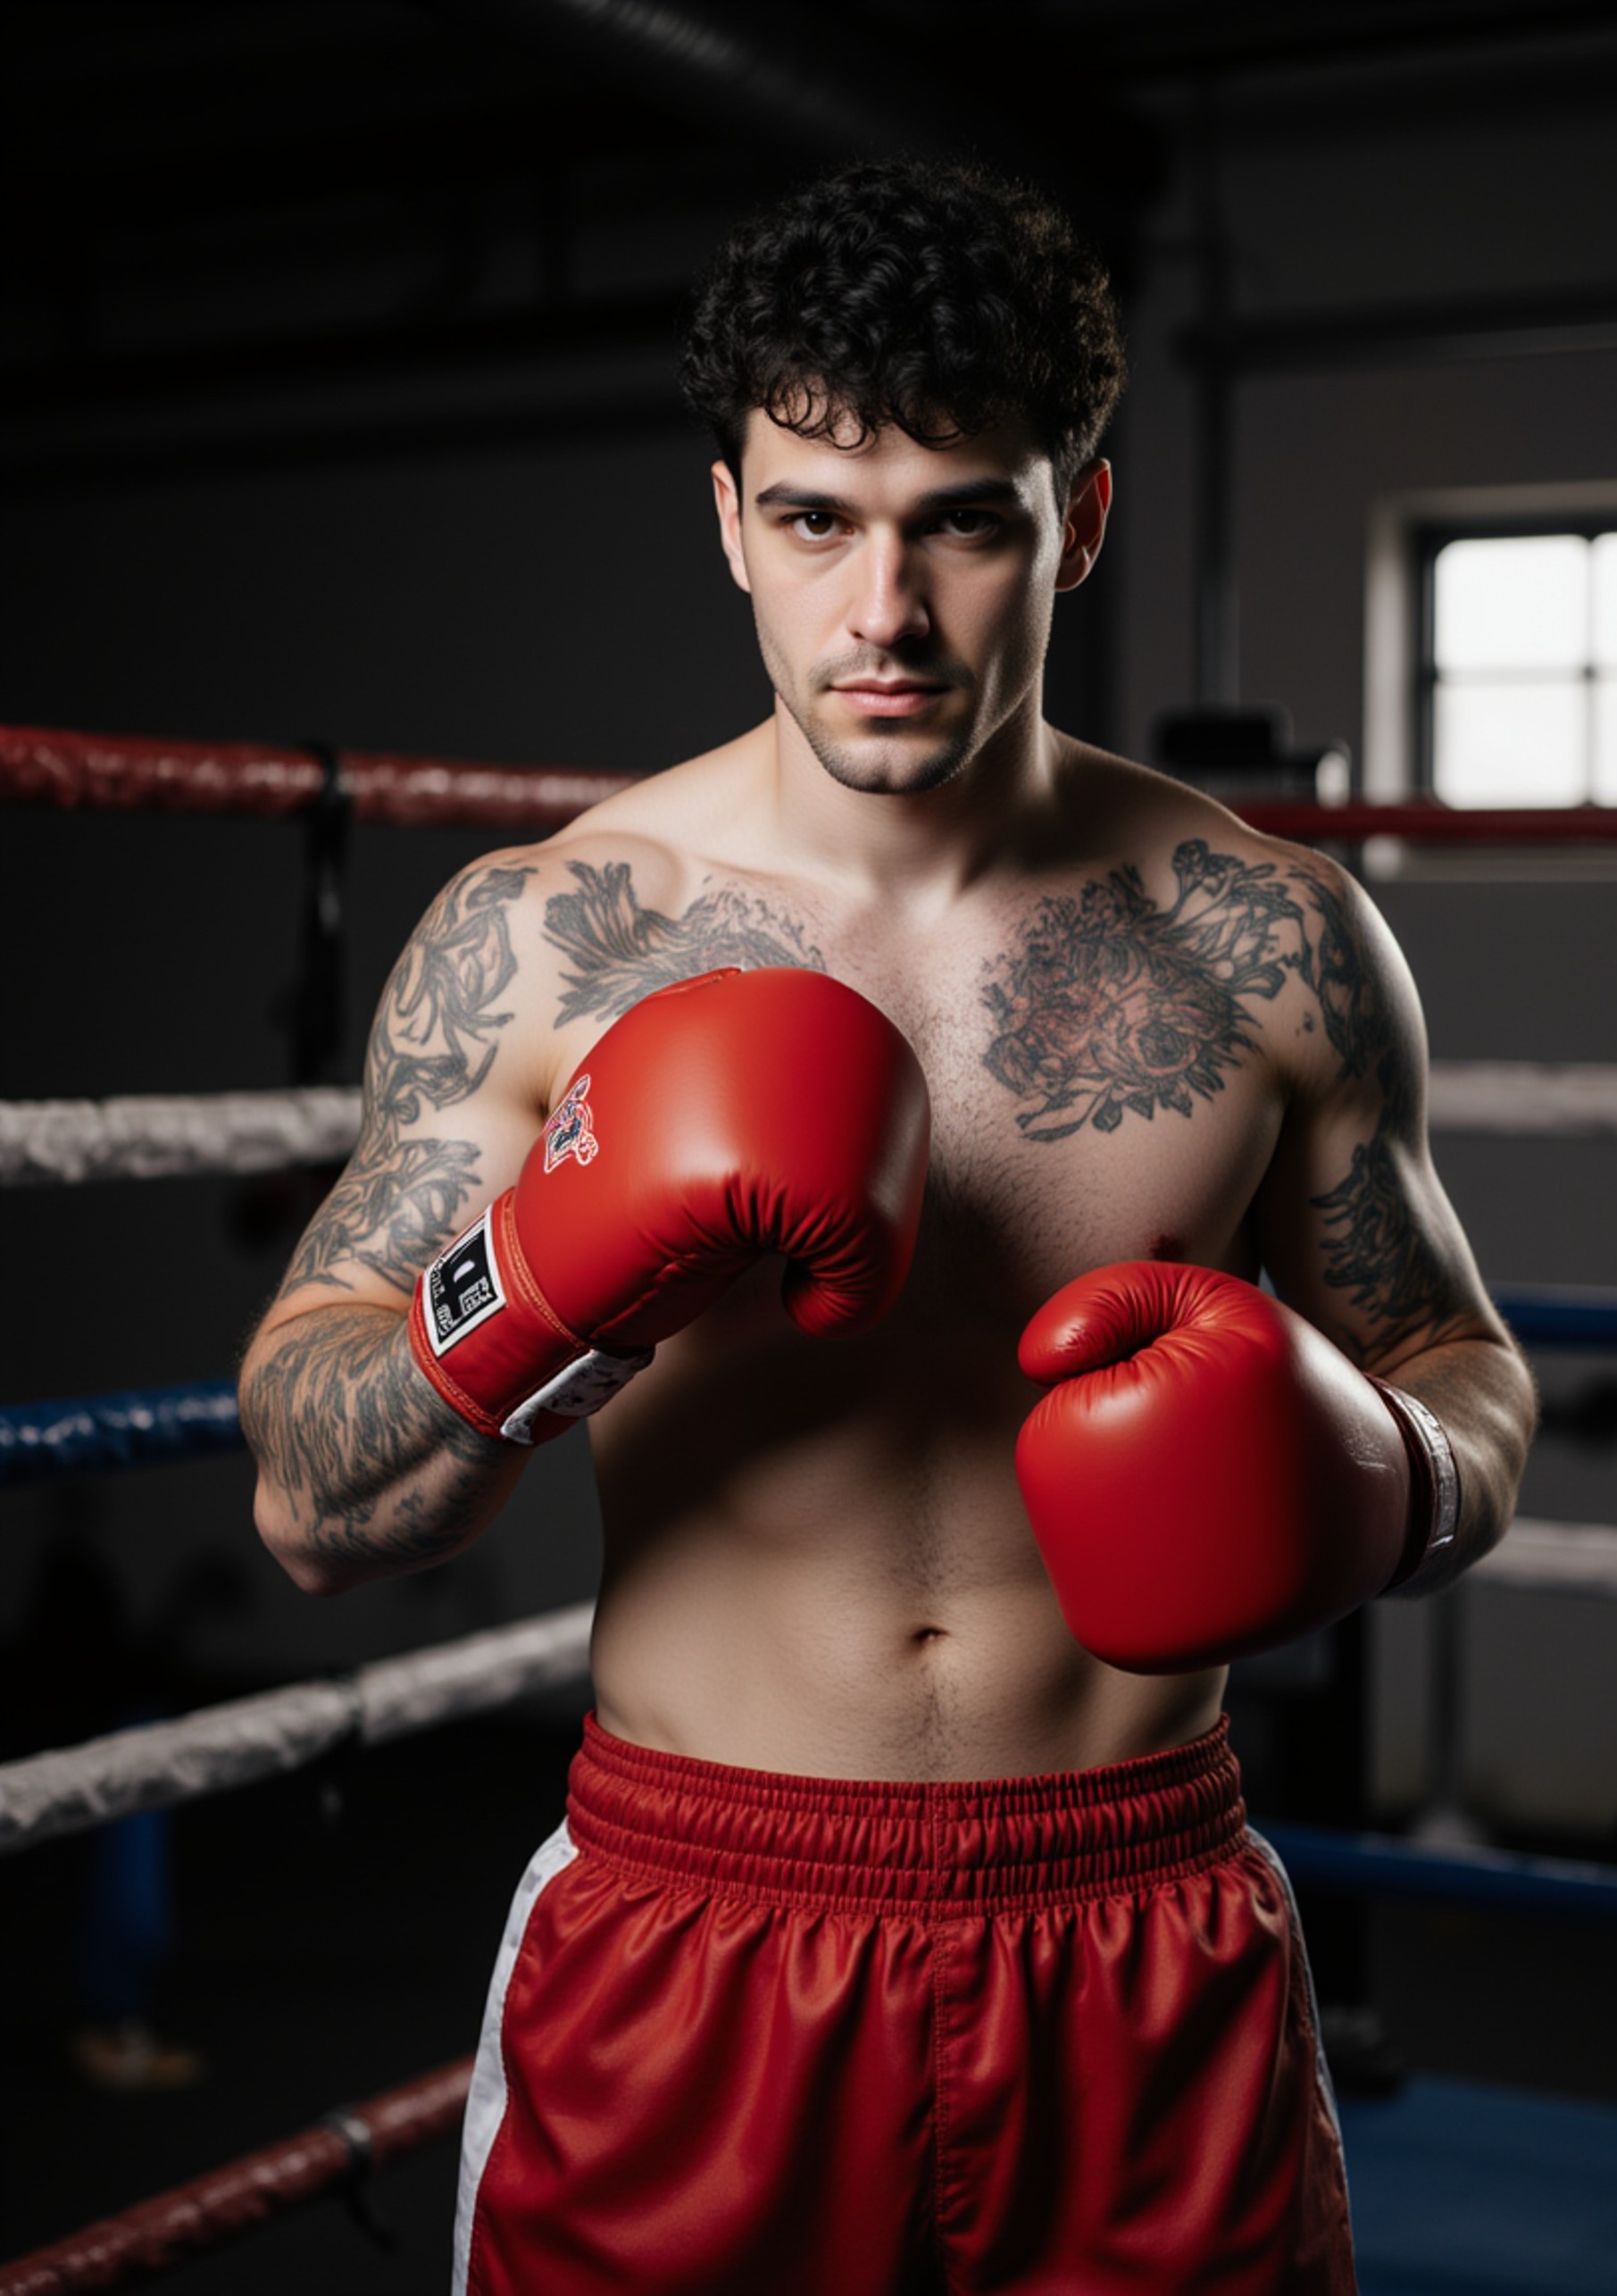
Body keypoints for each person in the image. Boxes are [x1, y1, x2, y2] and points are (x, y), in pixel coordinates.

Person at [239, 156, 1536, 2296]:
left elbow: (1456, 1371)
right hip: (695, 1921)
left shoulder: (1268, 939)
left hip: (1139, 1921)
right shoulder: (553, 940)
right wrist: (535, 1294)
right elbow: (307, 1495)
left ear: (1078, 524)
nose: (886, 613)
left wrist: (1385, 1482)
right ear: (732, 522)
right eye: (821, 520)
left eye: (965, 518)